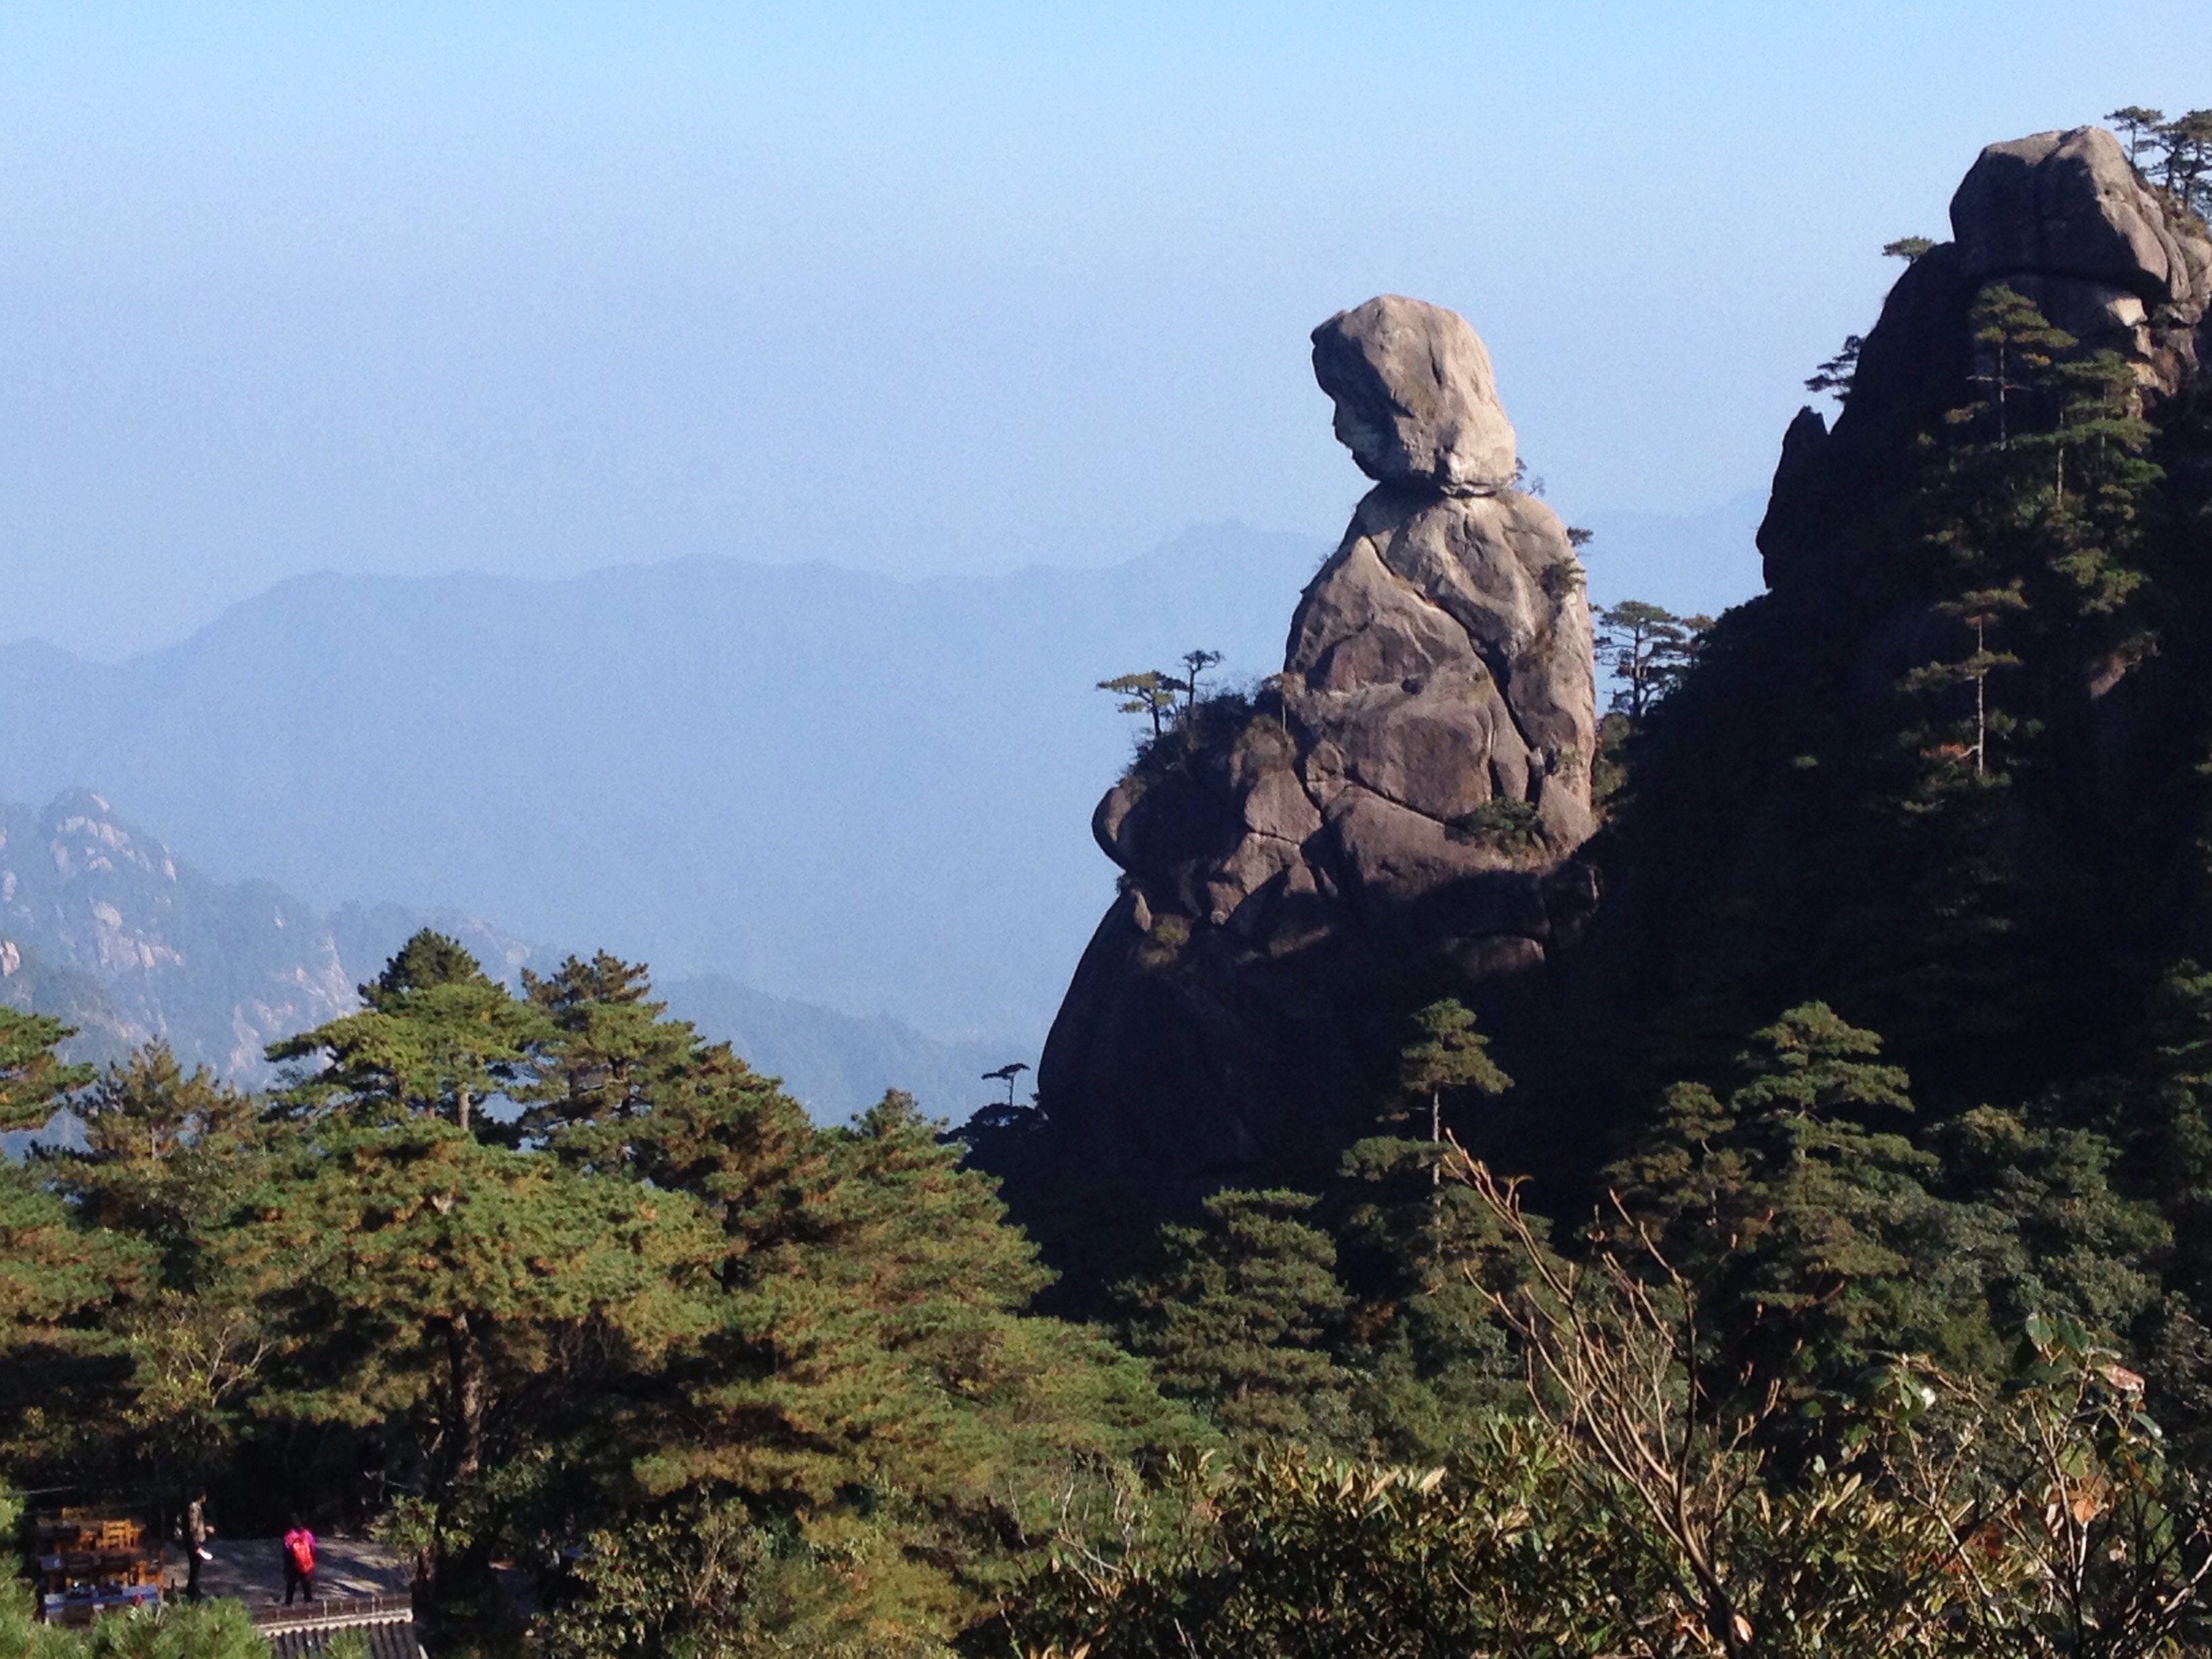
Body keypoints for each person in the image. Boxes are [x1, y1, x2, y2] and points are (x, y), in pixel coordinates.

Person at [184, 1492, 213, 1601]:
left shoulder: (198, 1508)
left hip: (198, 1540)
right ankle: (192, 1591)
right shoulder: (194, 1508)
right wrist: (195, 1544)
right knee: (195, 1565)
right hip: (194, 1541)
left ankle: (193, 1588)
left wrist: (205, 1528)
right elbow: (193, 1526)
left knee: (197, 1565)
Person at [281, 1521, 316, 1605]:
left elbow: (286, 1551)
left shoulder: (289, 1535)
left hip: (293, 1564)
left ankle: (288, 1605)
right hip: (305, 1565)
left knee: (291, 1586)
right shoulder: (308, 1535)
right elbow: (313, 1549)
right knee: (307, 1587)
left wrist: (286, 1567)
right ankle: (309, 1606)